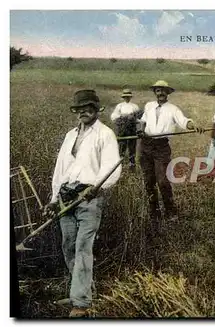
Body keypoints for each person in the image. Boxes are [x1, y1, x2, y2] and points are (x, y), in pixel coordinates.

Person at [43, 89, 122, 317]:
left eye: (89, 108)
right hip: (66, 197)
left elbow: (112, 167)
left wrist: (95, 187)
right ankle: (84, 291)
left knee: (83, 246)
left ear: (97, 110)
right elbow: (60, 170)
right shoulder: (70, 136)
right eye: (79, 108)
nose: (83, 112)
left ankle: (81, 302)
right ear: (75, 111)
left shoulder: (104, 134)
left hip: (89, 198)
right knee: (68, 245)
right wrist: (53, 199)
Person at [137, 80, 204, 229]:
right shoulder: (149, 106)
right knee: (149, 181)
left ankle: (171, 211)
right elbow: (142, 122)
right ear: (155, 92)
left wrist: (193, 126)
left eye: (163, 90)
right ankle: (154, 212)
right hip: (146, 145)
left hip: (161, 147)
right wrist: (140, 129)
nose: (160, 93)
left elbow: (184, 121)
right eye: (158, 90)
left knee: (163, 181)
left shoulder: (173, 109)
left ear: (168, 93)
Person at [110, 89, 142, 171]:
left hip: (132, 129)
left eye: (128, 97)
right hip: (122, 129)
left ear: (130, 97)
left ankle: (132, 165)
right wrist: (123, 117)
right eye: (125, 97)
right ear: (123, 97)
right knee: (122, 147)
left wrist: (133, 118)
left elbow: (139, 119)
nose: (127, 98)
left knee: (132, 147)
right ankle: (120, 166)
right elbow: (113, 117)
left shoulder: (135, 106)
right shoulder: (119, 106)